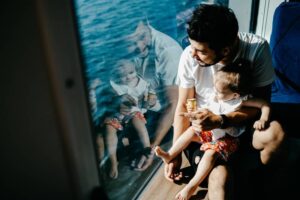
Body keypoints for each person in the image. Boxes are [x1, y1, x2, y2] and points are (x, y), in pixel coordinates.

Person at [165, 4, 285, 199]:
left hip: (241, 128)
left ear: (225, 50)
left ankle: (262, 182)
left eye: (201, 51)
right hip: (207, 137)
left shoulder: (256, 49)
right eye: (192, 46)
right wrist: (175, 154)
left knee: (276, 134)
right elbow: (184, 105)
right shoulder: (189, 55)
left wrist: (221, 120)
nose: (192, 54)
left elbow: (261, 103)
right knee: (220, 178)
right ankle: (225, 173)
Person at [155, 61, 271, 200]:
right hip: (213, 133)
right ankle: (170, 154)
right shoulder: (218, 96)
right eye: (214, 88)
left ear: (235, 95)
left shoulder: (240, 101)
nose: (215, 93)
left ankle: (192, 186)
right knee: (192, 130)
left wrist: (263, 119)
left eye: (219, 92)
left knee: (211, 152)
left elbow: (264, 104)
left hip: (228, 139)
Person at [124, 18, 183, 170]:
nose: (138, 46)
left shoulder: (167, 52)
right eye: (131, 42)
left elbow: (172, 105)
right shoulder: (127, 48)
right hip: (142, 106)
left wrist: (150, 149)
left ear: (147, 23)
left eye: (142, 37)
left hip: (166, 115)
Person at [103, 59, 159, 178]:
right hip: (117, 116)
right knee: (109, 129)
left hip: (134, 113)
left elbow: (151, 94)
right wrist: (115, 100)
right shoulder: (114, 84)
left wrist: (151, 99)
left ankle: (146, 148)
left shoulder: (142, 83)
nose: (128, 77)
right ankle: (112, 161)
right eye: (122, 75)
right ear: (116, 75)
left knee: (138, 123)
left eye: (131, 73)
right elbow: (109, 100)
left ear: (136, 70)